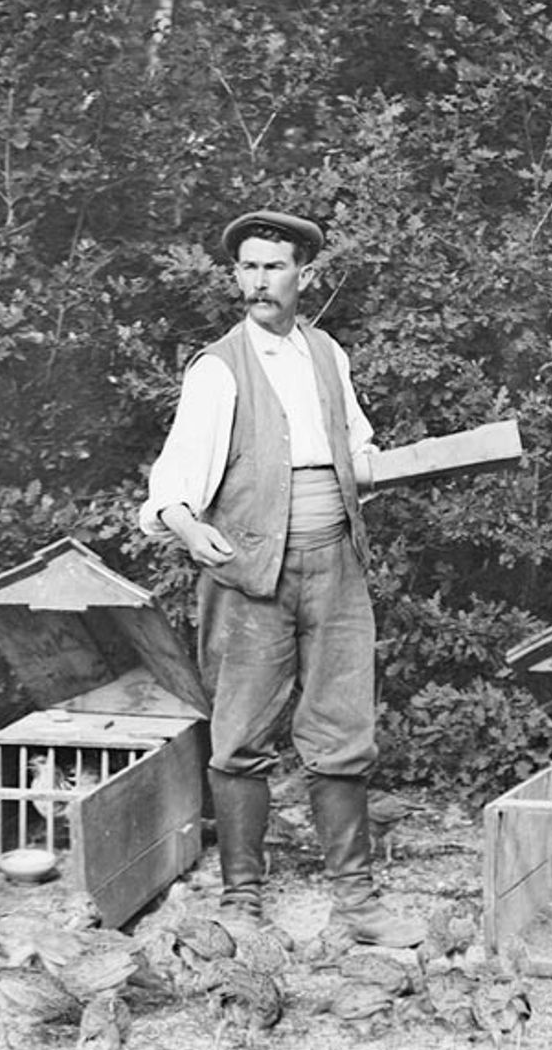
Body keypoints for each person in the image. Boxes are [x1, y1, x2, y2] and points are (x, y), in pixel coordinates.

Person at [138, 208, 423, 948]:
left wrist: (424, 462)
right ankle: (242, 901)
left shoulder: (327, 353)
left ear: (305, 276)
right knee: (238, 739)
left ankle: (355, 901)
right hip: (249, 570)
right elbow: (173, 481)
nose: (260, 281)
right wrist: (186, 525)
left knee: (343, 730)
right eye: (248, 267)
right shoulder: (217, 369)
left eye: (274, 266)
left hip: (336, 564)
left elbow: (356, 451)